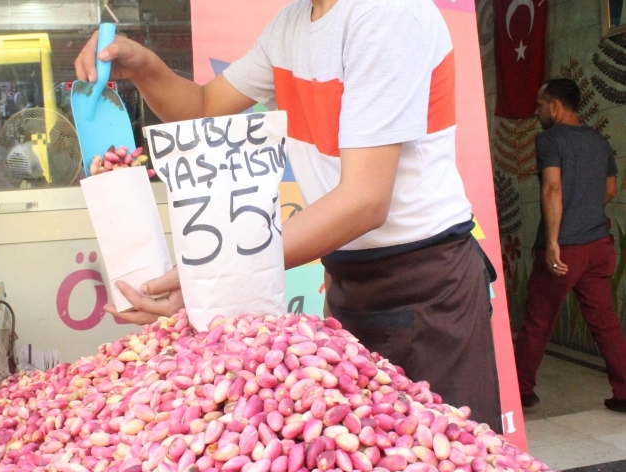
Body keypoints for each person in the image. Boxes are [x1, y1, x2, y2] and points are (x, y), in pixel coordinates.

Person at [75, 0, 503, 430]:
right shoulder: (291, 25)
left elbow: (366, 199)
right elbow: (204, 106)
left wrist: (215, 273)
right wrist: (145, 68)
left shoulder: (386, 14)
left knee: (444, 451)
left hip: (425, 288)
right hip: (349, 280)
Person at [514, 78, 626, 412]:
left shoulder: (550, 139)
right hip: (598, 246)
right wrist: (587, 214)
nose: (536, 111)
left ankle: (521, 391)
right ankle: (624, 392)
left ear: (555, 106)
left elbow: (552, 188)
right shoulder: (599, 141)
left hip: (564, 249)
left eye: (539, 104)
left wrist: (552, 241)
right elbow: (609, 189)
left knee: (537, 320)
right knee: (605, 323)